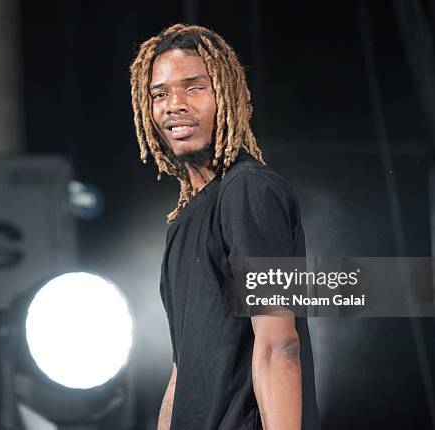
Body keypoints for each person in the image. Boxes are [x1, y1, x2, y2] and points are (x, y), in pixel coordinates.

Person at [129, 24, 320, 430]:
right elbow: (182, 371)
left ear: (227, 94)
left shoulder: (249, 190)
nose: (173, 104)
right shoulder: (182, 221)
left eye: (194, 87)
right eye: (159, 94)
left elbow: (279, 346)